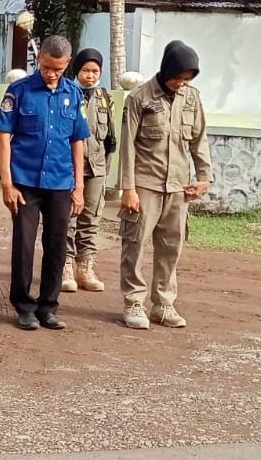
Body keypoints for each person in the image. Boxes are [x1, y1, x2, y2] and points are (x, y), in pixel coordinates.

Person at [0, 34, 90, 331]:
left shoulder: (73, 93)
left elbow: (78, 141)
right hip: (25, 182)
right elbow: (3, 136)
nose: (51, 74)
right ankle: (23, 306)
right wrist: (7, 183)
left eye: (58, 69)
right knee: (24, 245)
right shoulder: (19, 91)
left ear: (66, 64)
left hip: (60, 182)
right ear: (40, 60)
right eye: (47, 67)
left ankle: (48, 306)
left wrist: (79, 187)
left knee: (57, 245)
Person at [117, 40, 213, 330]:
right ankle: (134, 301)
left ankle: (163, 304)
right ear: (166, 70)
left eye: (187, 80)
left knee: (172, 246)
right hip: (145, 184)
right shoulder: (139, 98)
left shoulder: (192, 98)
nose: (181, 84)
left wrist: (204, 177)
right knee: (134, 245)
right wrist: (128, 188)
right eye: (178, 78)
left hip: (178, 187)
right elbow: (127, 146)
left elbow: (199, 139)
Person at [63, 48, 115, 293]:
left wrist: (106, 172)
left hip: (96, 169)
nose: (90, 76)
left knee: (91, 219)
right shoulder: (67, 93)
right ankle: (65, 265)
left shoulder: (104, 98)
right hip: (69, 168)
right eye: (85, 70)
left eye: (95, 71)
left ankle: (85, 267)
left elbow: (111, 141)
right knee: (67, 219)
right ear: (77, 71)